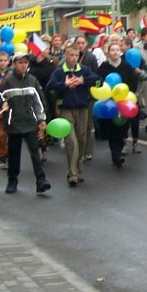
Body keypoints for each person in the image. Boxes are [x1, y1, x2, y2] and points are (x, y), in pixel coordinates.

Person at [0, 50, 51, 195]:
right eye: (20, 62)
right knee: (14, 154)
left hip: (31, 123)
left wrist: (41, 119)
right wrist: (3, 104)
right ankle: (12, 181)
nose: (23, 65)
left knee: (35, 153)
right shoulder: (8, 81)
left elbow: (39, 102)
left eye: (25, 62)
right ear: (14, 64)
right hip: (14, 123)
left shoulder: (32, 80)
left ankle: (41, 180)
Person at [47, 45, 98, 187]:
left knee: (82, 138)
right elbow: (50, 88)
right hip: (66, 108)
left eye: (76, 55)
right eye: (71, 55)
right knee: (71, 141)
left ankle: (78, 164)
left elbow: (97, 80)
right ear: (65, 55)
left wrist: (83, 81)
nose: (73, 58)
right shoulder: (59, 72)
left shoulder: (83, 70)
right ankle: (73, 174)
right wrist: (63, 85)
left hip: (82, 108)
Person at [97, 40, 147, 168]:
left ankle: (119, 150)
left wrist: (127, 92)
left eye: (117, 50)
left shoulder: (126, 66)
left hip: (124, 101)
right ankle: (116, 155)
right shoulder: (103, 67)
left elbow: (133, 81)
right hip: (109, 102)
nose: (115, 52)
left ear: (120, 52)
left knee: (123, 128)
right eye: (112, 50)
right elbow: (99, 83)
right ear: (108, 53)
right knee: (111, 129)